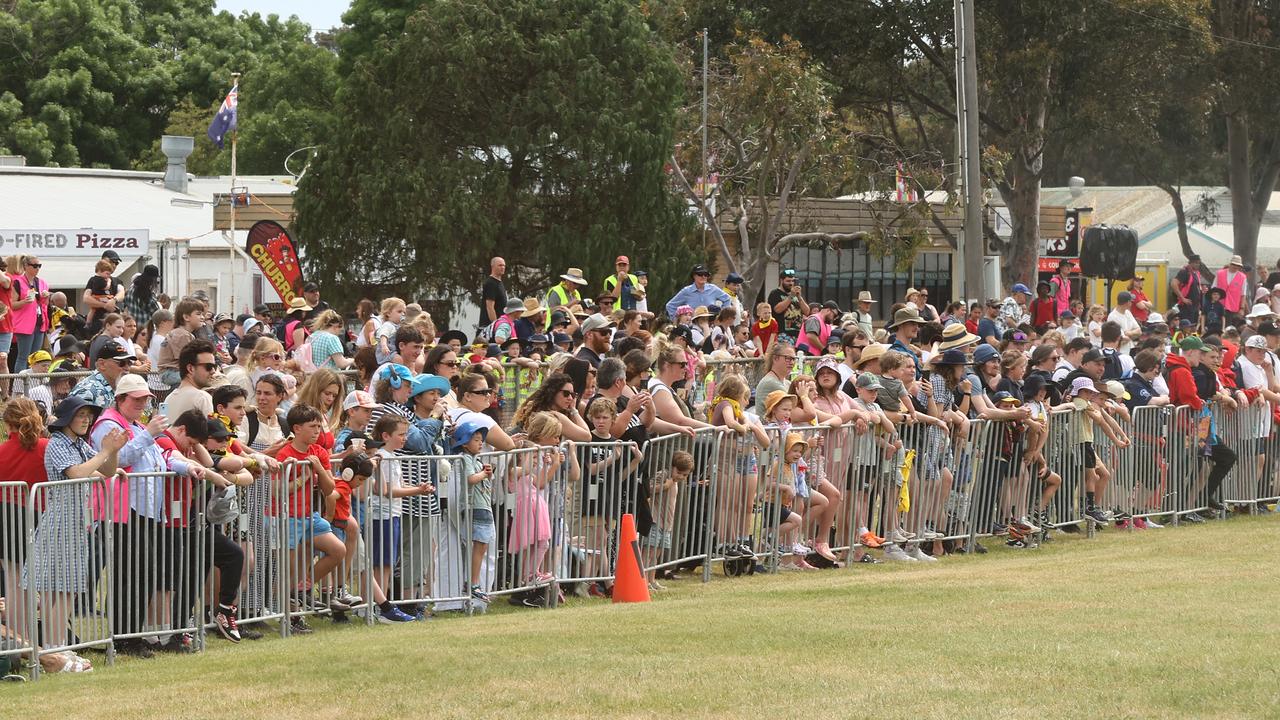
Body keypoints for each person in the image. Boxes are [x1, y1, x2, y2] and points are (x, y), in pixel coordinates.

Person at [275, 403, 347, 632]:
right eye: (312, 426)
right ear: (297, 428)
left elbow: (328, 490)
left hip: (309, 515)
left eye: (319, 426)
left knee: (338, 550)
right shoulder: (286, 453)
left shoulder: (319, 452)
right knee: (290, 568)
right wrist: (303, 477)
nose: (317, 431)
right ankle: (292, 618)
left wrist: (318, 469)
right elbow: (278, 490)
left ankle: (303, 587)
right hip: (288, 516)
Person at [368, 413, 432, 623]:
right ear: (386, 435)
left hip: (392, 514)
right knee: (380, 563)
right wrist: (416, 491)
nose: (405, 438)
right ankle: (379, 606)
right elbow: (386, 491)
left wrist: (417, 488)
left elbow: (399, 486)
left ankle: (382, 604)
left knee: (387, 562)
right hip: (382, 516)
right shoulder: (381, 457)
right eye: (401, 434)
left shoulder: (392, 456)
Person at [453, 420, 495, 603]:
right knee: (479, 545)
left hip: (482, 505)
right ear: (464, 442)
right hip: (476, 507)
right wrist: (484, 474)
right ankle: (473, 583)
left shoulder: (476, 459)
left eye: (481, 440)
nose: (480, 443)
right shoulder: (466, 458)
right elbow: (470, 479)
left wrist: (487, 474)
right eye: (476, 439)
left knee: (482, 545)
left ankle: (472, 582)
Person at [69, 337, 135, 407]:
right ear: (102, 364)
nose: (127, 368)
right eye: (121, 363)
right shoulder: (87, 392)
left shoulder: (119, 388)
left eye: (129, 363)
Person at [11, 254, 49, 372]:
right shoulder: (17, 282)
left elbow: (45, 304)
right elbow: (12, 304)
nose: (37, 268)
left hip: (39, 322)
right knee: (23, 357)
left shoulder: (42, 282)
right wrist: (24, 301)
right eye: (34, 266)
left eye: (39, 266)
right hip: (25, 325)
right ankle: (19, 387)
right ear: (26, 266)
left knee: (35, 357)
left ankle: (32, 385)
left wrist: (45, 297)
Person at [157, 297, 206, 387]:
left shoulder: (184, 333)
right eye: (198, 314)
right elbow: (185, 359)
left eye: (203, 314)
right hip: (170, 373)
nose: (202, 317)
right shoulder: (181, 335)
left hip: (174, 372)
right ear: (186, 317)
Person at [164, 339, 217, 419]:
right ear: (190, 368)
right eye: (208, 367)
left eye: (214, 367)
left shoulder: (168, 399)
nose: (213, 371)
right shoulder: (202, 398)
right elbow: (211, 431)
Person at [665, 264, 731, 320]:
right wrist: (677, 321)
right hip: (692, 327)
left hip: (710, 326)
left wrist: (721, 317)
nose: (703, 276)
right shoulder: (686, 291)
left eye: (706, 274)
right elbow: (670, 306)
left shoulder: (713, 288)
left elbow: (727, 299)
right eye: (700, 274)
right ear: (694, 276)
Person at [82, 258, 123, 336]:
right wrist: (104, 305)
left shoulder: (116, 281)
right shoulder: (101, 280)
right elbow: (86, 298)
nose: (113, 265)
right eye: (111, 262)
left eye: (116, 263)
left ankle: (88, 322)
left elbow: (121, 293)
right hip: (99, 314)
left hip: (109, 312)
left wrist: (114, 300)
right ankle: (88, 323)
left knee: (92, 310)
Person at [1214, 254, 1249, 322]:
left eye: (1238, 265)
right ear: (1230, 264)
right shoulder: (1219, 273)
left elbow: (1243, 294)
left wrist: (1242, 308)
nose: (1235, 266)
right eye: (1234, 264)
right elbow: (1214, 288)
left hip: (1233, 307)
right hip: (1218, 305)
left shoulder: (1243, 277)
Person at [482, 256, 508, 325]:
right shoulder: (491, 283)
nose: (502, 267)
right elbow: (490, 307)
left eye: (504, 265)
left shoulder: (499, 282)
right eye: (500, 265)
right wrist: (495, 325)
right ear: (492, 266)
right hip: (491, 326)